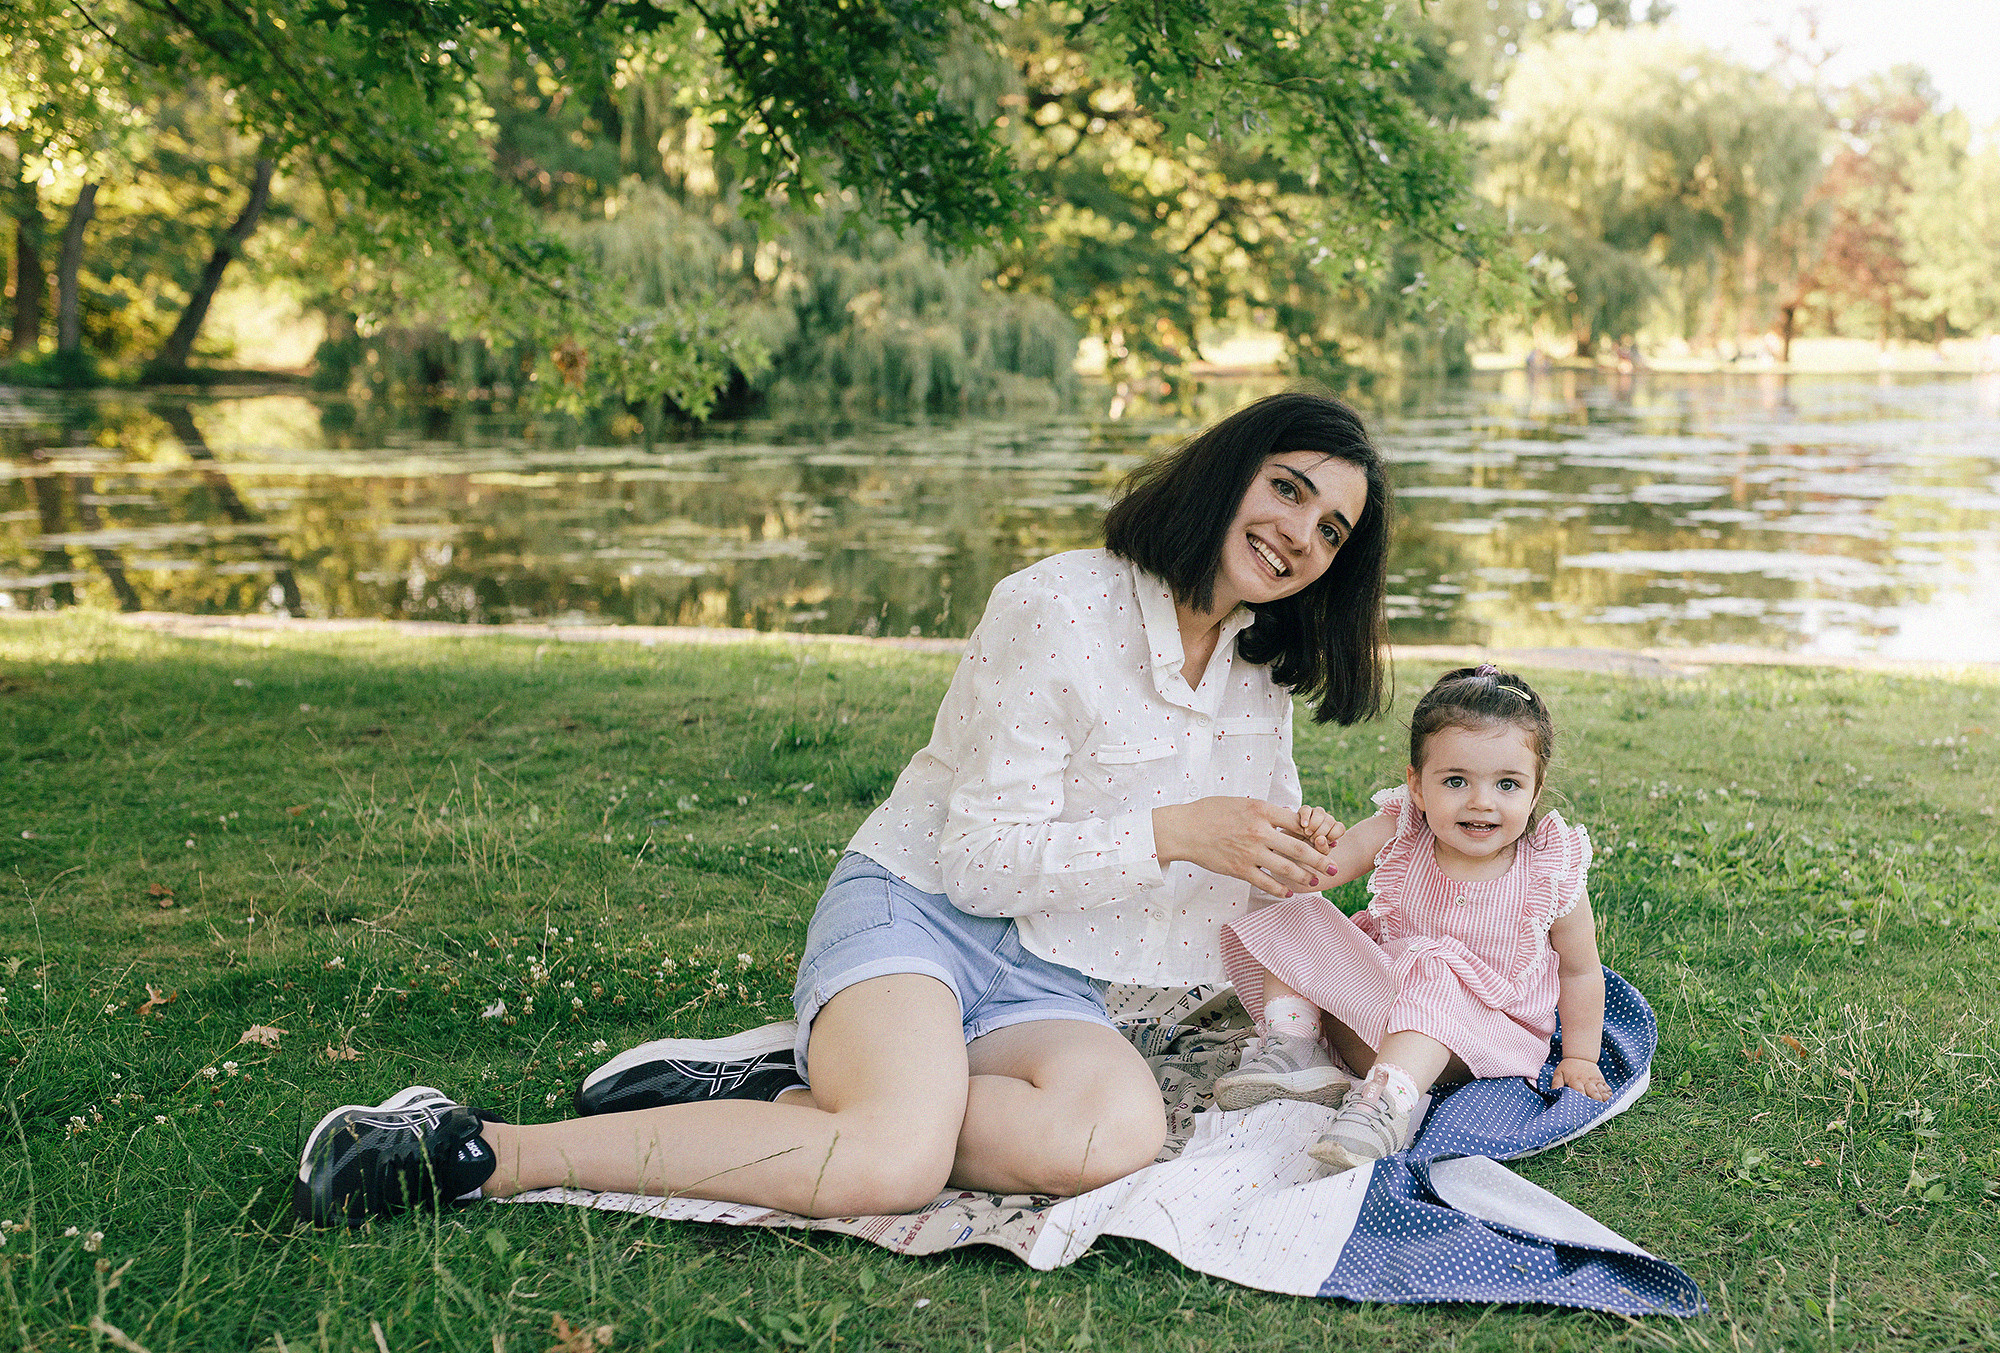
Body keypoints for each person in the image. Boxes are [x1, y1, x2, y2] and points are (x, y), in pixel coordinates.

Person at [294, 391, 1394, 1226]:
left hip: (1053, 974)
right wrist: (1176, 832)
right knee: (891, 1163)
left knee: (1109, 1136)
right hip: (919, 912)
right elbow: (977, 863)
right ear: (1228, 472)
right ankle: (481, 1148)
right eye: (1288, 489)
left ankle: (806, 1084)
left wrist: (1327, 849)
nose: (1301, 533)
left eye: (1333, 530)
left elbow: (1244, 862)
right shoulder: (1057, 605)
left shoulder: (1255, 674)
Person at [1213, 665, 1607, 1173]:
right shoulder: (1404, 828)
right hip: (1373, 1019)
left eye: (1507, 784)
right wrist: (1310, 845)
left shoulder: (1549, 868)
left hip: (1470, 1042)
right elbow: (1318, 875)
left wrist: (1580, 1057)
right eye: (1456, 781)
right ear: (1417, 786)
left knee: (1435, 967)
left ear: (1535, 790)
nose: (1481, 802)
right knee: (1293, 905)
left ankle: (1383, 1107)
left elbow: (1580, 970)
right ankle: (1295, 1047)